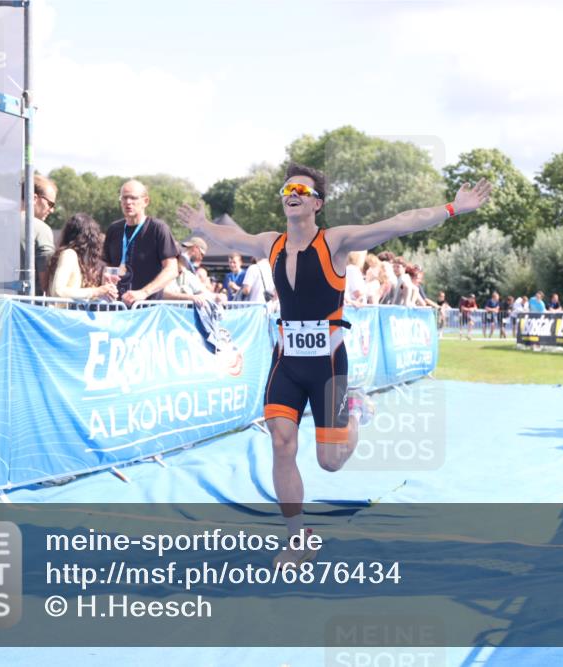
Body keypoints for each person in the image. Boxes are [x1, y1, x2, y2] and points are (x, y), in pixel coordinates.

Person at [177, 163, 491, 569]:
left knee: (331, 460)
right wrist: (203, 224)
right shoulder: (269, 243)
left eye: (301, 190)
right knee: (281, 441)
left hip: (328, 365)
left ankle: (355, 416)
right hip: (286, 361)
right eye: (287, 188)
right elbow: (230, 235)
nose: (292, 193)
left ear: (317, 203)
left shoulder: (336, 243)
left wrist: (453, 208)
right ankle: (297, 537)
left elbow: (397, 224)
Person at [102, 180, 179, 306]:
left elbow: (172, 269)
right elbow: (107, 265)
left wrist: (144, 292)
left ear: (145, 201)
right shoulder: (114, 229)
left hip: (147, 310)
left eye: (133, 198)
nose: (128, 202)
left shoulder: (157, 228)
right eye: (124, 198)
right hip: (116, 308)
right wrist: (105, 283)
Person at [45, 213, 118, 302]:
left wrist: (103, 289)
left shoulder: (74, 257)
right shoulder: (69, 254)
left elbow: (78, 293)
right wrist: (96, 291)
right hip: (64, 314)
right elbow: (58, 291)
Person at [20, 174, 58, 295]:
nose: (52, 210)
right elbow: (45, 281)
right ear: (34, 198)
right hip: (27, 307)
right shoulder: (41, 229)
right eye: (50, 204)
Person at [164, 238, 216, 305]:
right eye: (202, 254)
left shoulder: (186, 271)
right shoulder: (178, 265)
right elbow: (163, 293)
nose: (201, 258)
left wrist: (217, 296)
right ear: (195, 248)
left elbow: (201, 290)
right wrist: (190, 297)